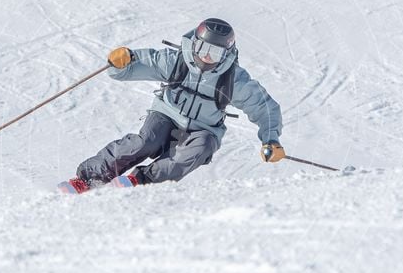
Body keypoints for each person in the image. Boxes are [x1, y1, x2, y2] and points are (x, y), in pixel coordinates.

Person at [59, 18, 285, 193]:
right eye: (203, 48)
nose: (206, 57)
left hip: (204, 128)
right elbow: (136, 65)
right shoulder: (177, 60)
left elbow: (265, 108)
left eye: (214, 53)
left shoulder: (234, 79)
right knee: (145, 142)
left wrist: (271, 139)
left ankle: (140, 182)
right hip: (166, 113)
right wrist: (121, 63)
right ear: (194, 44)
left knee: (195, 151)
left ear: (226, 53)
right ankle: (88, 178)